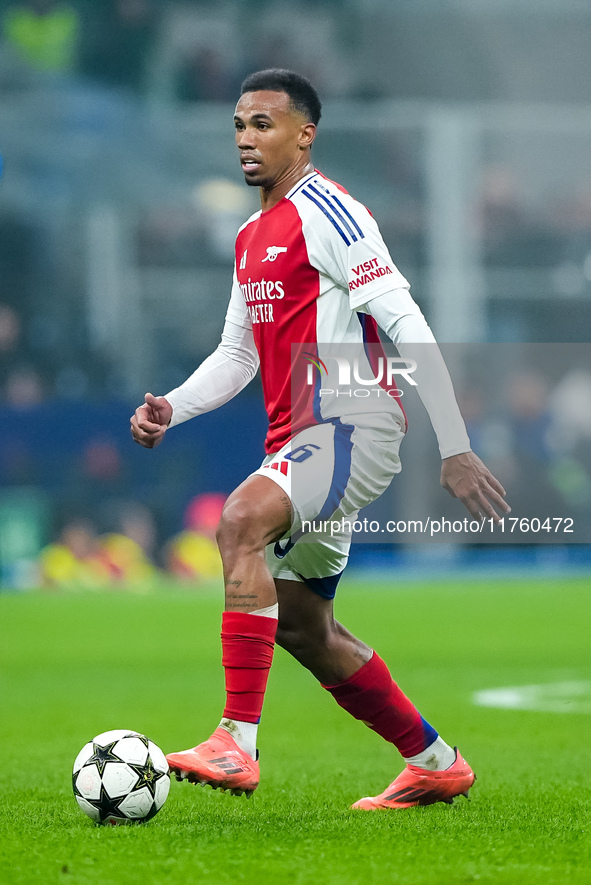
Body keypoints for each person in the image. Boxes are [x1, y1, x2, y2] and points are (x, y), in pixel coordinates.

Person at [131, 69, 510, 811]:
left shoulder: (331, 212)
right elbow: (238, 354)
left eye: (264, 124)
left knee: (239, 518)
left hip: (352, 420)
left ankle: (235, 741)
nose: (246, 138)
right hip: (301, 435)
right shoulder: (249, 236)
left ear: (304, 134)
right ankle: (433, 760)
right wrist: (172, 407)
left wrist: (454, 444)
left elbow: (405, 323)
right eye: (239, 125)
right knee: (304, 625)